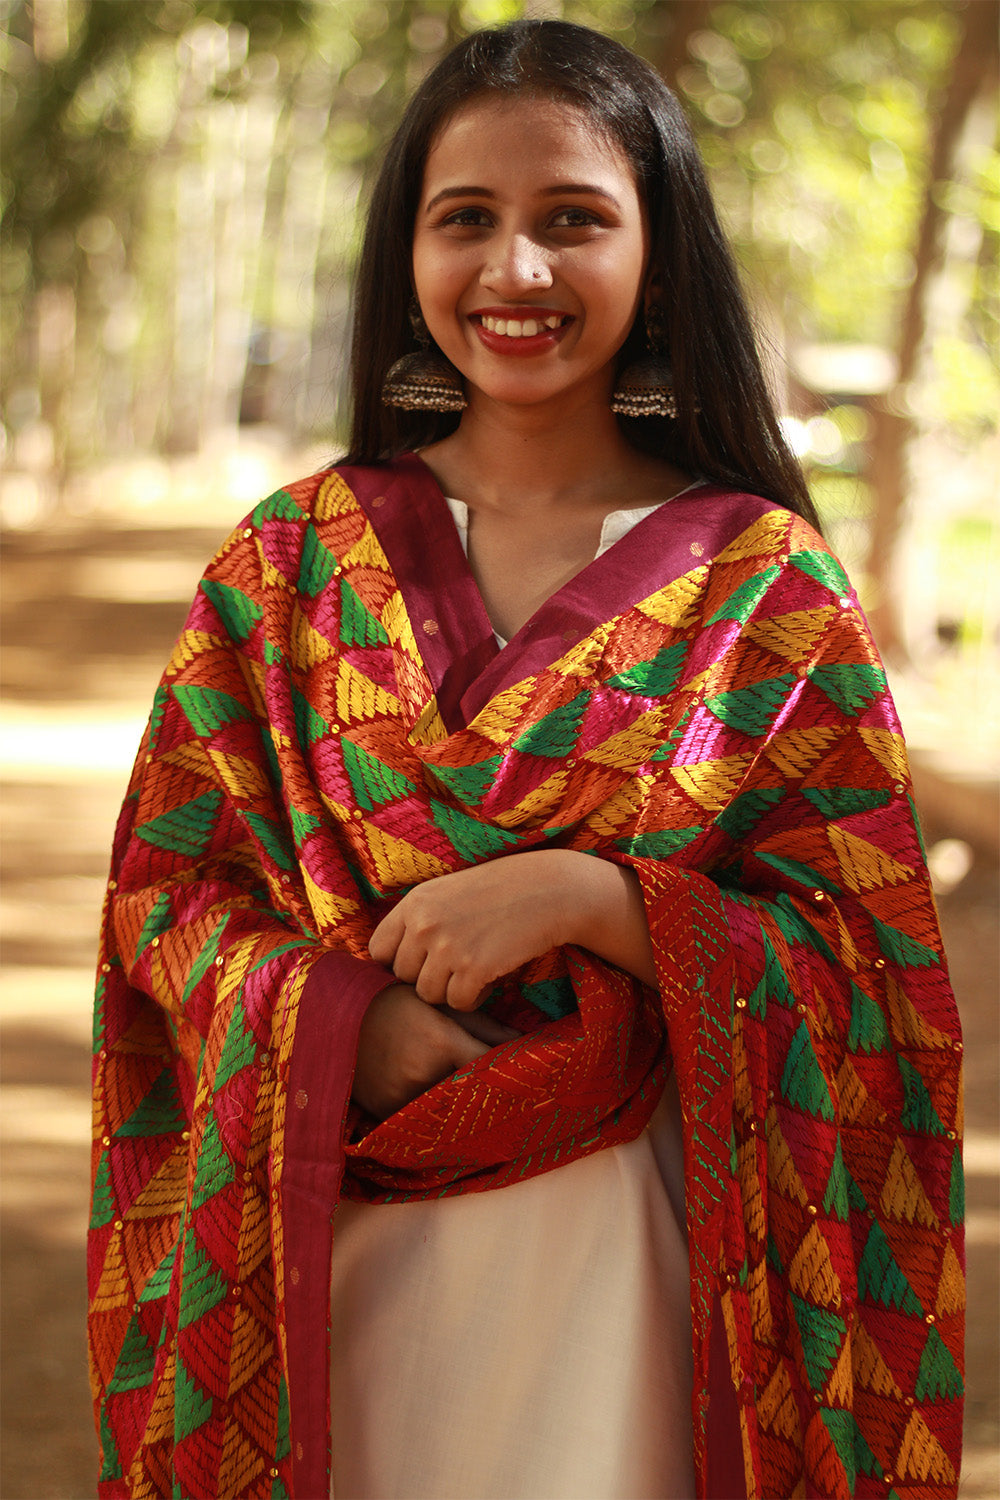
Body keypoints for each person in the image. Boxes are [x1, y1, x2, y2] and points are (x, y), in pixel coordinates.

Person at [88, 20, 965, 1500]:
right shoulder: (291, 564)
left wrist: (591, 899)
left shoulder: (764, 588)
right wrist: (338, 1021)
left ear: (660, 254)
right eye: (467, 222)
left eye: (574, 221)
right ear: (407, 257)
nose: (518, 273)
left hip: (638, 1284)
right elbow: (167, 903)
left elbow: (870, 971)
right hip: (327, 1253)